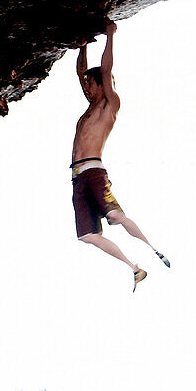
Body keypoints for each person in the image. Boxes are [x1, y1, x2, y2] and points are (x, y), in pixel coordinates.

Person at [71, 21, 158, 291]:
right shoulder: (89, 107)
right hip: (77, 177)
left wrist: (110, 36)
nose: (86, 87)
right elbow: (80, 72)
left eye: (90, 84)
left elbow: (106, 70)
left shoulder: (110, 104)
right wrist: (83, 45)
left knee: (116, 217)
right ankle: (134, 268)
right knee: (87, 235)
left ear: (101, 85)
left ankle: (153, 248)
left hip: (94, 172)